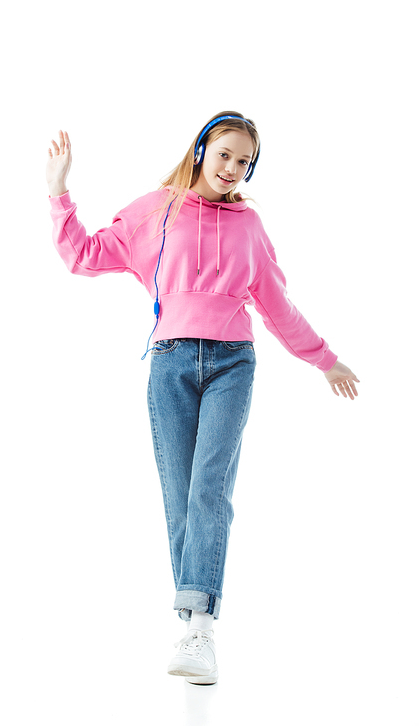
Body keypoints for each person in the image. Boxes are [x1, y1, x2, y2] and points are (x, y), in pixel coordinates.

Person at [46, 111, 360, 686]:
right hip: (168, 364)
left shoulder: (249, 227)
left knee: (209, 486)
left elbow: (278, 308)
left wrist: (324, 359)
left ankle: (200, 628)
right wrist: (58, 191)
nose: (232, 168)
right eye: (224, 155)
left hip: (232, 364)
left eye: (244, 161)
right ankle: (194, 618)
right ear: (200, 150)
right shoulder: (156, 209)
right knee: (179, 494)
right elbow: (83, 256)